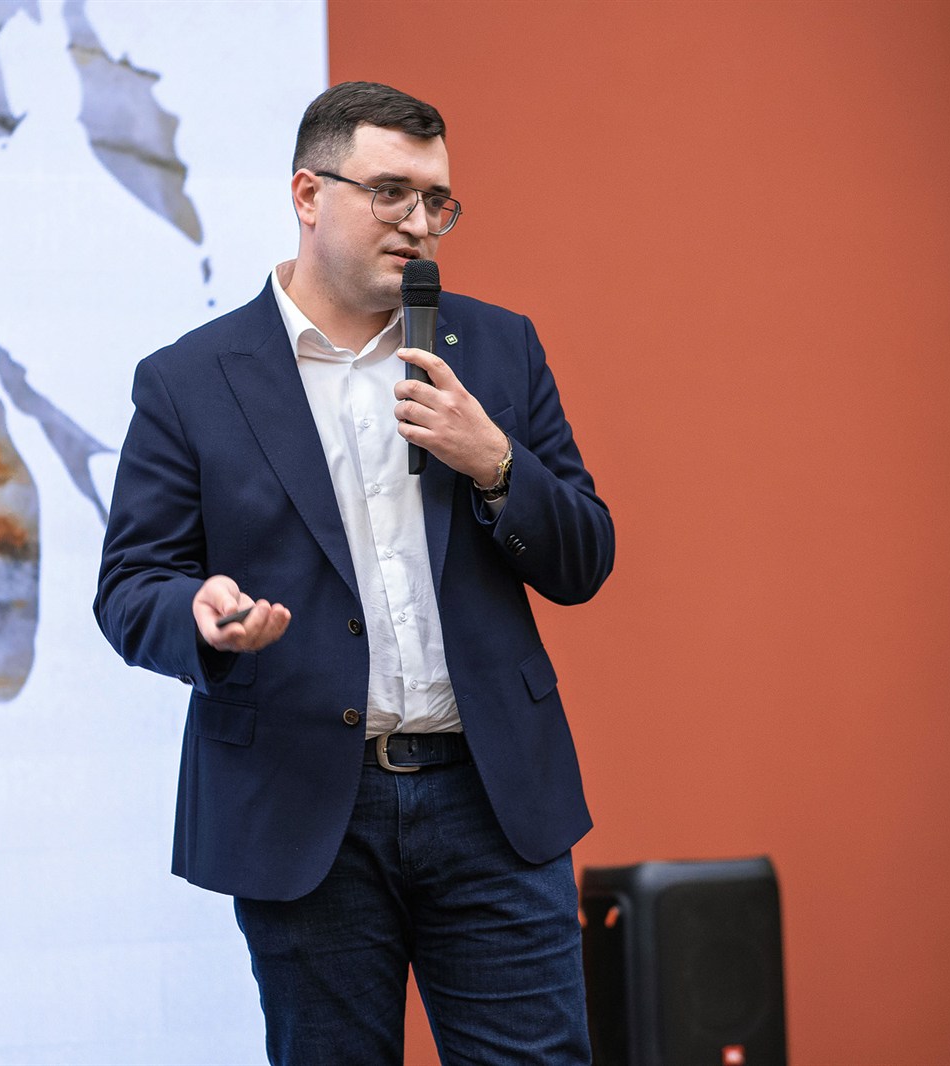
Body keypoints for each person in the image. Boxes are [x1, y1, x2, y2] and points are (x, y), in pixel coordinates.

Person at [94, 81, 614, 1065]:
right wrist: (198, 613)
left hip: (493, 798)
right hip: (305, 807)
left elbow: (585, 556)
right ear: (307, 194)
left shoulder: (494, 348)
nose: (418, 222)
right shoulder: (191, 379)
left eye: (436, 200)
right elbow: (130, 586)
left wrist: (497, 464)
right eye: (389, 193)